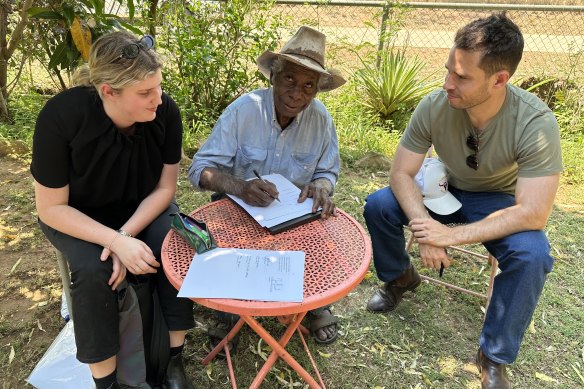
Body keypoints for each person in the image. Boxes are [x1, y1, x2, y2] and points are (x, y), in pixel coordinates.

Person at [363, 13, 562, 389]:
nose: (447, 84)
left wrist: (448, 237)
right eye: (448, 71)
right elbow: (401, 173)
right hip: (444, 186)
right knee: (378, 205)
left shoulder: (535, 122)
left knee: (533, 254)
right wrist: (426, 231)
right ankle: (400, 278)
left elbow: (533, 212)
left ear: (499, 79)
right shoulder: (436, 104)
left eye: (462, 77)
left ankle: (493, 356)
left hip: (497, 199)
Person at [31, 31, 195, 389]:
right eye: (145, 93)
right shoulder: (61, 118)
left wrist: (125, 235)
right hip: (76, 215)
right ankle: (106, 382)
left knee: (174, 243)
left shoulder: (165, 111)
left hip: (140, 208)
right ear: (108, 91)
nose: (158, 98)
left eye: (159, 87)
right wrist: (113, 243)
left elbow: (165, 188)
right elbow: (51, 207)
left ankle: (173, 359)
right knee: (94, 271)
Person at [188, 26, 346, 345]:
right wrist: (240, 186)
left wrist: (321, 188)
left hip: (295, 217)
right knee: (225, 248)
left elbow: (328, 172)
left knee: (323, 237)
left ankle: (315, 306)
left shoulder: (321, 119)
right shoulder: (244, 110)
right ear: (273, 75)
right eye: (289, 79)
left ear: (316, 90)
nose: (297, 93)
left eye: (308, 86)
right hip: (239, 210)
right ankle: (230, 312)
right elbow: (199, 170)